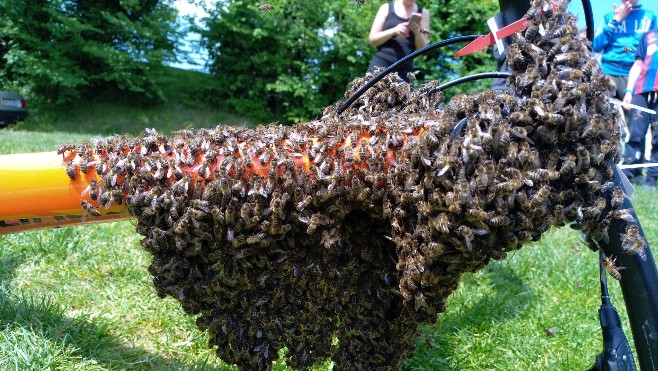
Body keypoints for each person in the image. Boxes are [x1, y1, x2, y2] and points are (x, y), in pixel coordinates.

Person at [593, 1, 656, 134]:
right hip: (607, 72)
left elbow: (653, 51)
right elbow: (595, 46)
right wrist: (616, 20)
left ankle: (632, 154)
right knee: (600, 120)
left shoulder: (650, 17)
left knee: (636, 125)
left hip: (635, 76)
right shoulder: (609, 17)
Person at [622, 26, 658, 189]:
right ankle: (628, 175)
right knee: (635, 134)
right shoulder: (649, 36)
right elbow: (637, 64)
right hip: (642, 91)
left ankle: (651, 179)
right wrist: (629, 91)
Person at [366, 0, 430, 83]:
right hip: (379, 67)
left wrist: (417, 32)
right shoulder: (386, 7)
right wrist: (394, 31)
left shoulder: (424, 13)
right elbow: (372, 40)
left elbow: (422, 48)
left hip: (404, 72)